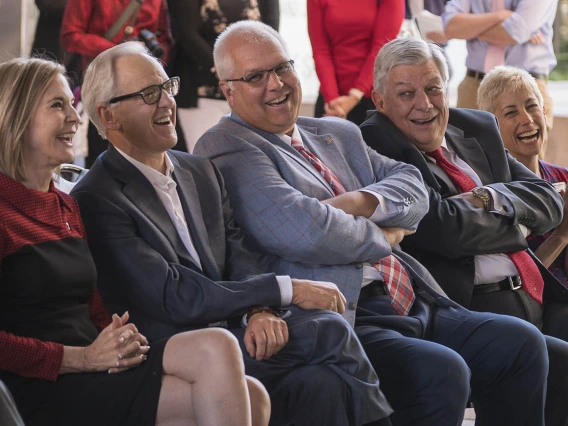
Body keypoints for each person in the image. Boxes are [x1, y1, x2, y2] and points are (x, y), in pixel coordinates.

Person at [194, 20, 551, 426]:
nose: (275, 84)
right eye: (255, 76)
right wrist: (387, 233)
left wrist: (359, 199)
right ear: (228, 89)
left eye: (282, 68)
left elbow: (413, 185)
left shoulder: (336, 132)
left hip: (414, 298)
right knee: (441, 372)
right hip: (343, 315)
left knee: (520, 344)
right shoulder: (228, 145)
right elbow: (305, 229)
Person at [71, 41, 392, 426]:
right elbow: (174, 294)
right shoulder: (97, 196)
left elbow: (238, 255)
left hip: (236, 331)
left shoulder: (197, 171)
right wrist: (284, 289)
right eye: (148, 94)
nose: (166, 103)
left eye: (166, 87)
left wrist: (259, 310)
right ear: (109, 116)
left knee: (321, 382)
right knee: (327, 329)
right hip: (174, 351)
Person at [0, 57, 270, 426]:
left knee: (253, 392)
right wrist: (81, 358)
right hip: (44, 384)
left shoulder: (65, 204)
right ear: (14, 117)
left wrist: (116, 337)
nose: (75, 119)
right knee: (220, 354)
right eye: (57, 105)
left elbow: (90, 304)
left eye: (71, 104)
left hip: (95, 364)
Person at [360, 36, 568, 426]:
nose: (424, 104)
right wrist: (517, 222)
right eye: (406, 93)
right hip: (471, 302)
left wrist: (488, 199)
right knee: (558, 363)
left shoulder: (476, 127)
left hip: (535, 293)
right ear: (381, 102)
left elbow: (549, 201)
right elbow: (443, 231)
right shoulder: (377, 141)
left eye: (433, 88)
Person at [477, 65, 568, 340]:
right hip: (534, 312)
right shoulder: (493, 196)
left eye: (532, 106)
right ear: (490, 126)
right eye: (511, 112)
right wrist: (561, 235)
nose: (527, 119)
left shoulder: (562, 176)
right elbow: (518, 283)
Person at [60, 0, 186, 166]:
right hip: (107, 84)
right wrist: (121, 51)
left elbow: (165, 40)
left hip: (150, 86)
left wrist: (149, 55)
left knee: (161, 151)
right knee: (105, 157)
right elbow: (71, 35)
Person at [168, 0, 279, 151]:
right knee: (207, 161)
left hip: (253, 89)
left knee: (252, 158)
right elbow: (187, 33)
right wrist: (225, 69)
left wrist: (249, 72)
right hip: (202, 89)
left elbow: (270, 33)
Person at [442, 0, 557, 138]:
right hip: (474, 86)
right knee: (467, 157)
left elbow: (516, 31)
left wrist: (470, 28)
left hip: (526, 86)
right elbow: (450, 26)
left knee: (525, 157)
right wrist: (501, 16)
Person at [307, 0, 404, 125]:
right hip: (332, 103)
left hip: (374, 99)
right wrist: (332, 100)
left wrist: (354, 96)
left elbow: (381, 47)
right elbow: (320, 50)